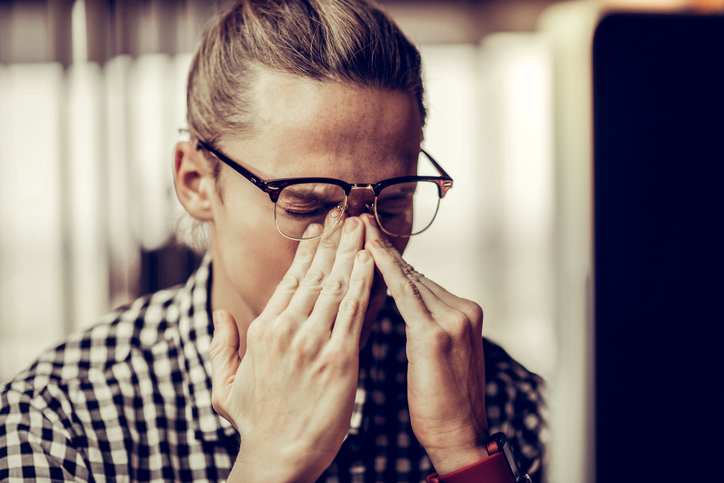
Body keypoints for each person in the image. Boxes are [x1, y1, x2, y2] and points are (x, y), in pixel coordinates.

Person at [0, 1, 544, 482]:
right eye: (307, 206)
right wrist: (269, 464)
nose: (359, 245)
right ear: (196, 183)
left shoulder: (507, 405)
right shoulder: (59, 421)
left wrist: (465, 457)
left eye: (394, 200)